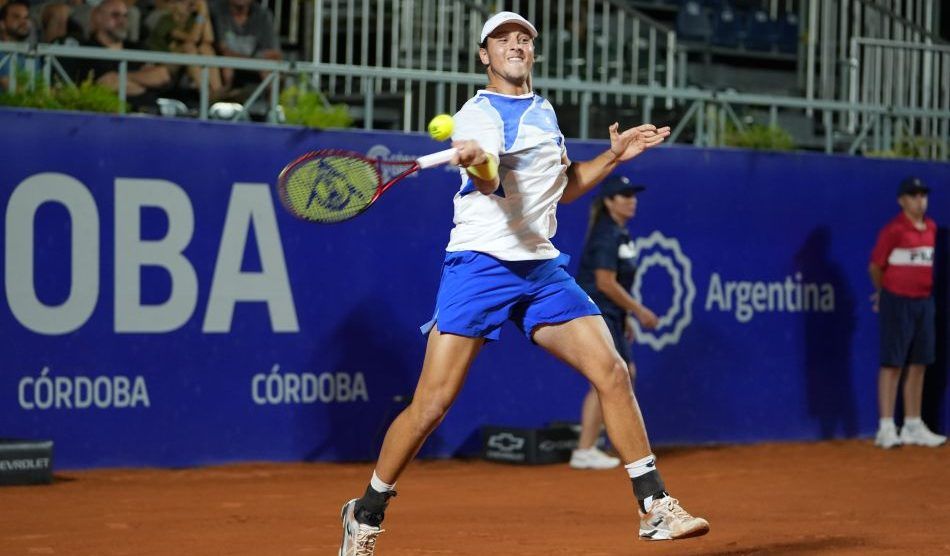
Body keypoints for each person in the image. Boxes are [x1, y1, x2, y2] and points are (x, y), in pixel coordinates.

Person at [338, 11, 708, 555]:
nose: (516, 44)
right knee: (432, 405)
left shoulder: (543, 111)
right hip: (480, 265)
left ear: (532, 53)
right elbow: (488, 184)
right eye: (503, 39)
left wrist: (613, 156)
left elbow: (562, 189)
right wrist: (481, 163)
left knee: (611, 369)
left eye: (524, 38)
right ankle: (365, 511)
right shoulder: (477, 113)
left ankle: (654, 506)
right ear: (484, 55)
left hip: (539, 267)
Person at [570, 175, 659, 470]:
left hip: (611, 312)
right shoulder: (607, 234)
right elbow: (604, 283)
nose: (631, 200)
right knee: (614, 375)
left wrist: (626, 317)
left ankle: (593, 444)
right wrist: (639, 310)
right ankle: (586, 448)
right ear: (609, 202)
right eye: (624, 196)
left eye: (633, 195)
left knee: (619, 375)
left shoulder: (620, 233)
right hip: (596, 310)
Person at [869, 176, 945, 449]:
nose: (920, 200)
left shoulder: (932, 228)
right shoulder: (893, 231)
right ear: (902, 201)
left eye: (923, 195)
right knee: (892, 364)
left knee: (919, 363)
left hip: (924, 302)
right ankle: (886, 427)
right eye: (913, 196)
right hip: (897, 302)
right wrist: (884, 293)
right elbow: (876, 266)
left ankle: (913, 424)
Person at [62, 0, 170, 102]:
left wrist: (119, 76)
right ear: (97, 17)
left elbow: (162, 75)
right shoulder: (87, 51)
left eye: (125, 16)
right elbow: (107, 83)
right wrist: (144, 80)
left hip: (151, 115)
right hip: (108, 115)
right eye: (115, 15)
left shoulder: (138, 47)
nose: (122, 21)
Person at [146, 0, 223, 97]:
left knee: (205, 48)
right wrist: (202, 13)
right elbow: (193, 38)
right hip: (163, 62)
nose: (188, 5)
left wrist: (204, 12)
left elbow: (209, 39)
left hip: (184, 64)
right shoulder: (166, 20)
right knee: (188, 47)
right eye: (183, 2)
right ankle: (206, 94)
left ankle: (217, 91)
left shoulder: (191, 20)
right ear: (173, 4)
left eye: (190, 3)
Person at [209, 0, 280, 92]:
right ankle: (220, 99)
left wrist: (255, 60)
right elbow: (223, 49)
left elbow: (275, 53)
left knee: (270, 69)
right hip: (224, 64)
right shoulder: (216, 11)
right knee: (227, 66)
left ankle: (274, 105)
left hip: (255, 65)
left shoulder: (263, 15)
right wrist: (256, 59)